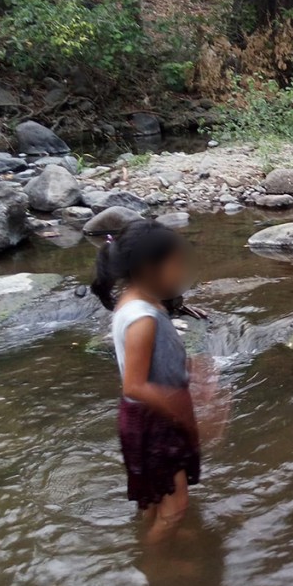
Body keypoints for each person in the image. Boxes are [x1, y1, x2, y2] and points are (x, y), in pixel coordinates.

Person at [91, 219, 200, 545]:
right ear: (148, 269)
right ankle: (155, 561)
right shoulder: (141, 319)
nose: (181, 272)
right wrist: (179, 408)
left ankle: (152, 531)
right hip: (154, 420)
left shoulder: (140, 302)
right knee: (177, 506)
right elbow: (134, 385)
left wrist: (188, 367)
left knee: (155, 495)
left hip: (144, 417)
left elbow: (152, 362)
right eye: (176, 264)